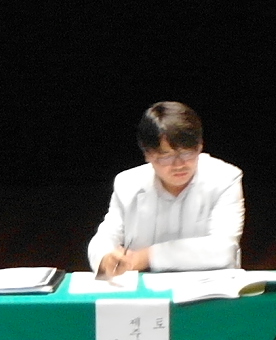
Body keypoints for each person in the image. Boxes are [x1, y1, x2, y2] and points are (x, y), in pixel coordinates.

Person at [87, 100, 245, 276]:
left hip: (211, 286)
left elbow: (224, 249)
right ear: (148, 154)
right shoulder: (127, 183)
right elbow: (106, 236)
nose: (179, 165)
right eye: (166, 156)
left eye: (187, 153)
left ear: (200, 147)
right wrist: (105, 258)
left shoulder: (225, 179)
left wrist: (148, 256)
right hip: (145, 287)